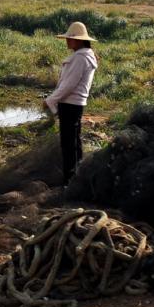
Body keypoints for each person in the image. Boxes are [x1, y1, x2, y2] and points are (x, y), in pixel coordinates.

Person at [44, 22, 98, 185]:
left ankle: (70, 180)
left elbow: (69, 85)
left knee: (69, 144)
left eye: (71, 38)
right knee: (74, 141)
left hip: (70, 104)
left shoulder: (81, 58)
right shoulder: (84, 55)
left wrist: (50, 100)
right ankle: (77, 176)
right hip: (75, 104)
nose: (67, 41)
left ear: (80, 41)